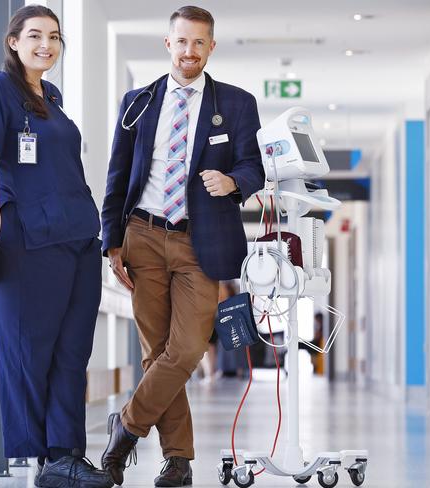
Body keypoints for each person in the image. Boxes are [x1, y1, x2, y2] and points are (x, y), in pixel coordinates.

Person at [100, 6, 265, 486]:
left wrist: (233, 180)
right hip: (143, 235)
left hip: (200, 241)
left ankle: (127, 426)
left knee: (187, 348)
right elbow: (117, 176)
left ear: (211, 47)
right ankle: (178, 461)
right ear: (167, 44)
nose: (189, 51)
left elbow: (254, 167)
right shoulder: (138, 102)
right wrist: (112, 241)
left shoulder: (235, 103)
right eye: (182, 42)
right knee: (156, 353)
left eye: (199, 43)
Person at [0, 5, 112, 488]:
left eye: (54, 35)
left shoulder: (51, 96)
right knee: (30, 350)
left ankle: (66, 456)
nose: (45, 44)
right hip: (28, 238)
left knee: (72, 352)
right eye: (34, 35)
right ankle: (33, 458)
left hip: (78, 238)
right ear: (13, 41)